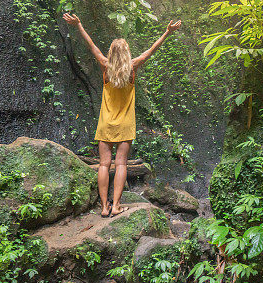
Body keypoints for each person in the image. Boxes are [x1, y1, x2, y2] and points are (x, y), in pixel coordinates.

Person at [62, 13, 182, 216]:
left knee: (103, 164)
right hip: (125, 124)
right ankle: (116, 205)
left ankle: (104, 207)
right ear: (126, 54)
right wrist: (167, 32)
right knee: (121, 164)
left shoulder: (105, 66)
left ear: (111, 53)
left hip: (106, 124)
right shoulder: (133, 68)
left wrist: (79, 25)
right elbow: (150, 51)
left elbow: (92, 46)